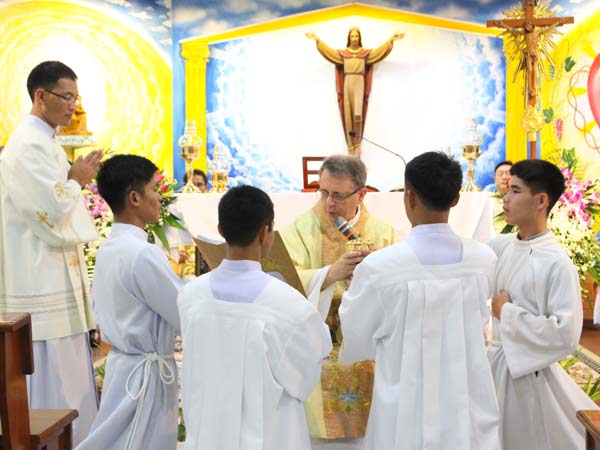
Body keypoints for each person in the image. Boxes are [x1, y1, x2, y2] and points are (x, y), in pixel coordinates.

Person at [338, 152, 500, 450]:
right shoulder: (484, 259)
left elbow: (357, 337)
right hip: (466, 398)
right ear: (455, 199)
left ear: (409, 197)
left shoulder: (380, 267)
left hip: (405, 404)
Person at [178, 185, 332, 450]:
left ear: (221, 230)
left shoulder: (191, 295)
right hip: (269, 438)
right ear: (264, 233)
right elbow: (305, 378)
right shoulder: (289, 305)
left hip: (208, 434)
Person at [0, 60, 103, 444]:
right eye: (67, 96)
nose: (74, 106)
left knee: (67, 373)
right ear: (41, 96)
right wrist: (77, 181)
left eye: (76, 97)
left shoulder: (45, 142)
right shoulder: (28, 145)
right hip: (38, 281)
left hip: (52, 274)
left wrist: (73, 181)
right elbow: (51, 210)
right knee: (52, 376)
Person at [281, 154, 396, 440]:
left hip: (367, 347)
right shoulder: (300, 229)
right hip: (317, 343)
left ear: (361, 194)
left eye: (338, 195)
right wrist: (328, 275)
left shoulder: (383, 233)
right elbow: (283, 281)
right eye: (323, 192)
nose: (329, 203)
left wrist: (372, 282)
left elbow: (398, 290)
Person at [488, 159, 600, 450]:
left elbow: (566, 335)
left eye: (515, 191)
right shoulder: (499, 247)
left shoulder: (557, 264)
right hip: (493, 365)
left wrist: (507, 313)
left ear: (540, 201)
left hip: (526, 375)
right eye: (507, 190)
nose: (506, 198)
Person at [76, 155, 183, 450]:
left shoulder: (109, 248)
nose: (159, 198)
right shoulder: (142, 253)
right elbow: (182, 310)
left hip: (122, 367)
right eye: (154, 189)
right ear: (134, 197)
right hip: (144, 376)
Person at [306, 28, 405, 156]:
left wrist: (391, 40)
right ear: (349, 38)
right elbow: (329, 52)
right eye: (352, 36)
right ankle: (351, 146)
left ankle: (357, 144)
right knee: (348, 113)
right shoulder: (343, 54)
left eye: (356, 36)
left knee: (358, 114)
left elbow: (379, 52)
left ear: (359, 38)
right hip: (347, 81)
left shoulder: (364, 54)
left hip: (359, 81)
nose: (354, 38)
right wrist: (318, 40)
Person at [490, 160, 513, 234]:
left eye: (508, 173)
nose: (504, 177)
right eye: (500, 174)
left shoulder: (523, 201)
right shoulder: (487, 200)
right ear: (495, 179)